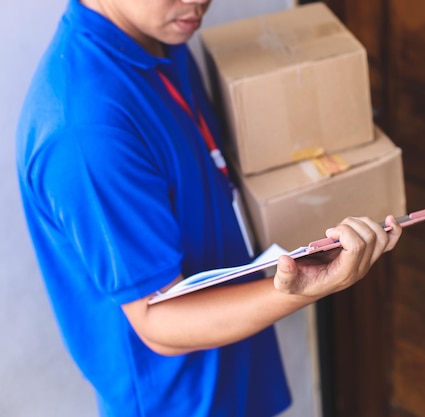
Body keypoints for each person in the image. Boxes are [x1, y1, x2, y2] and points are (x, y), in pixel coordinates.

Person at [15, 0, 403, 416]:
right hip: (181, 399)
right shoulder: (86, 132)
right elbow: (158, 321)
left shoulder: (161, 36)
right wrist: (309, 285)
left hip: (236, 358)